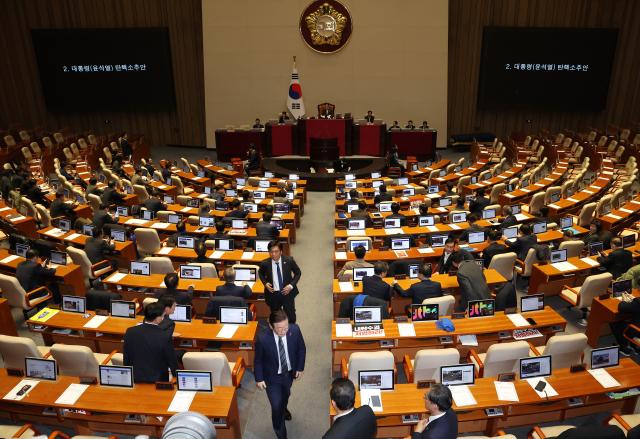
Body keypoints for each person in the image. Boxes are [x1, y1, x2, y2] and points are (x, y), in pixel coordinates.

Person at [254, 310, 306, 439]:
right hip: (271, 378)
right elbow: (258, 360)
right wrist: (259, 378)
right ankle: (280, 432)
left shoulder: (295, 329)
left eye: (286, 327)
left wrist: (300, 367)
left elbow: (301, 349)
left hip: (289, 374)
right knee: (276, 406)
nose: (284, 331)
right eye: (280, 328)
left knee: (286, 394)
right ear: (271, 326)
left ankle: (284, 409)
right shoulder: (262, 338)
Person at [123, 302, 178, 383]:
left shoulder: (130, 331)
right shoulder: (164, 337)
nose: (163, 317)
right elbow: (172, 361)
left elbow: (126, 356)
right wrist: (176, 377)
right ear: (157, 318)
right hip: (158, 381)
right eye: (163, 315)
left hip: (135, 378)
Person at [258, 241, 302, 323]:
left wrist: (291, 285)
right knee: (276, 318)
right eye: (271, 252)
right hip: (273, 294)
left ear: (281, 251)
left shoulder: (289, 260)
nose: (273, 254)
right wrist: (265, 283)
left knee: (291, 317)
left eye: (276, 251)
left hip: (287, 293)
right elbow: (260, 273)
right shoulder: (265, 263)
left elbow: (298, 273)